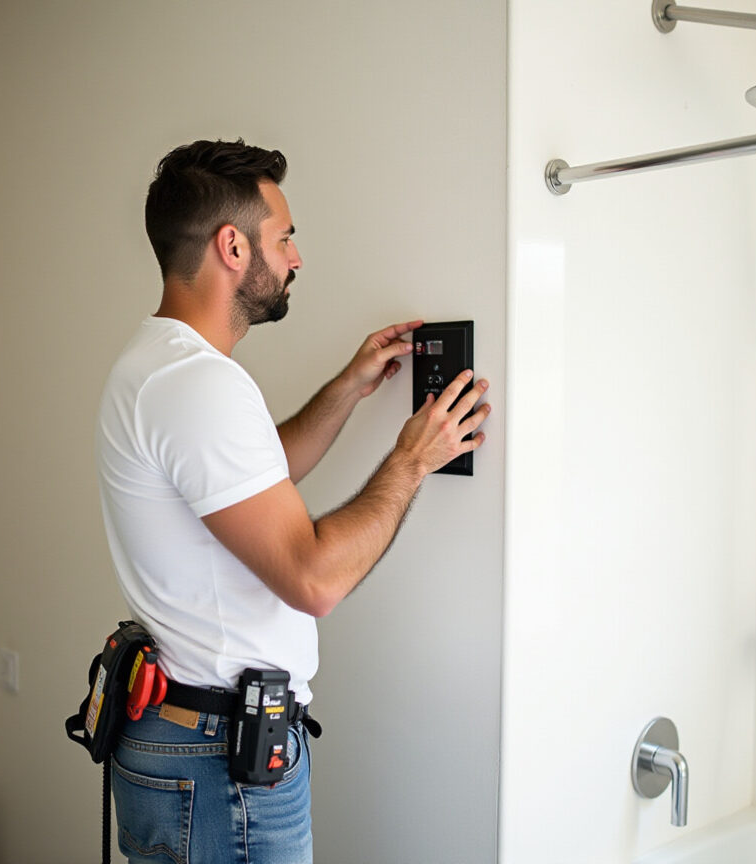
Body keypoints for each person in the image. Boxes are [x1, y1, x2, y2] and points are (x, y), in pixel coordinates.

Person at [95, 139, 491, 864]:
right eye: (284, 237)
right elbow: (314, 579)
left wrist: (349, 387)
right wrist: (411, 459)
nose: (297, 258)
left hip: (180, 743)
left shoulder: (153, 365)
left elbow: (246, 483)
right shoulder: (199, 386)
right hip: (220, 768)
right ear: (232, 247)